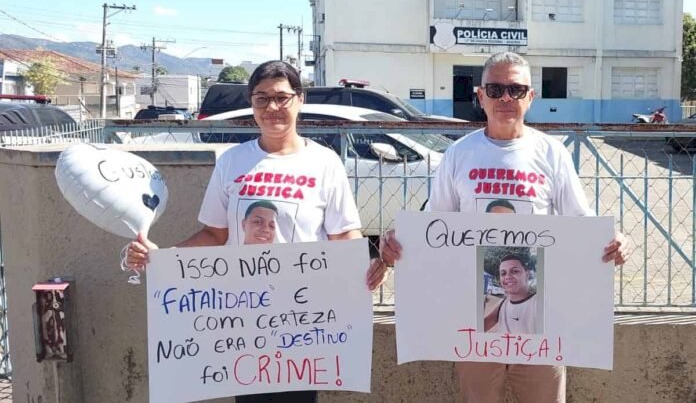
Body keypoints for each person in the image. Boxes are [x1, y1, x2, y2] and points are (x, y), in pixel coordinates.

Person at [126, 60, 386, 403]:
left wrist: (369, 262)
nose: (272, 108)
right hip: (243, 316)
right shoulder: (232, 161)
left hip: (302, 319)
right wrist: (164, 259)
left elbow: (343, 235)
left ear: (299, 99)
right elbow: (215, 235)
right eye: (261, 98)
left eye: (281, 97)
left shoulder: (325, 163)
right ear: (251, 103)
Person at [380, 51, 629, 403]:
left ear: (531, 97)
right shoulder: (458, 154)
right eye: (495, 89)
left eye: (516, 89)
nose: (506, 98)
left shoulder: (551, 153)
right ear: (480, 96)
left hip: (545, 313)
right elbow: (435, 228)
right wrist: (399, 242)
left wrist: (615, 239)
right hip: (473, 314)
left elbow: (580, 221)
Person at [484, 254, 536, 334]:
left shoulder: (537, 303)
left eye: (515, 271)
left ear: (527, 275)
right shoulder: (502, 304)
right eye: (503, 273)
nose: (508, 276)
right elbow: (482, 326)